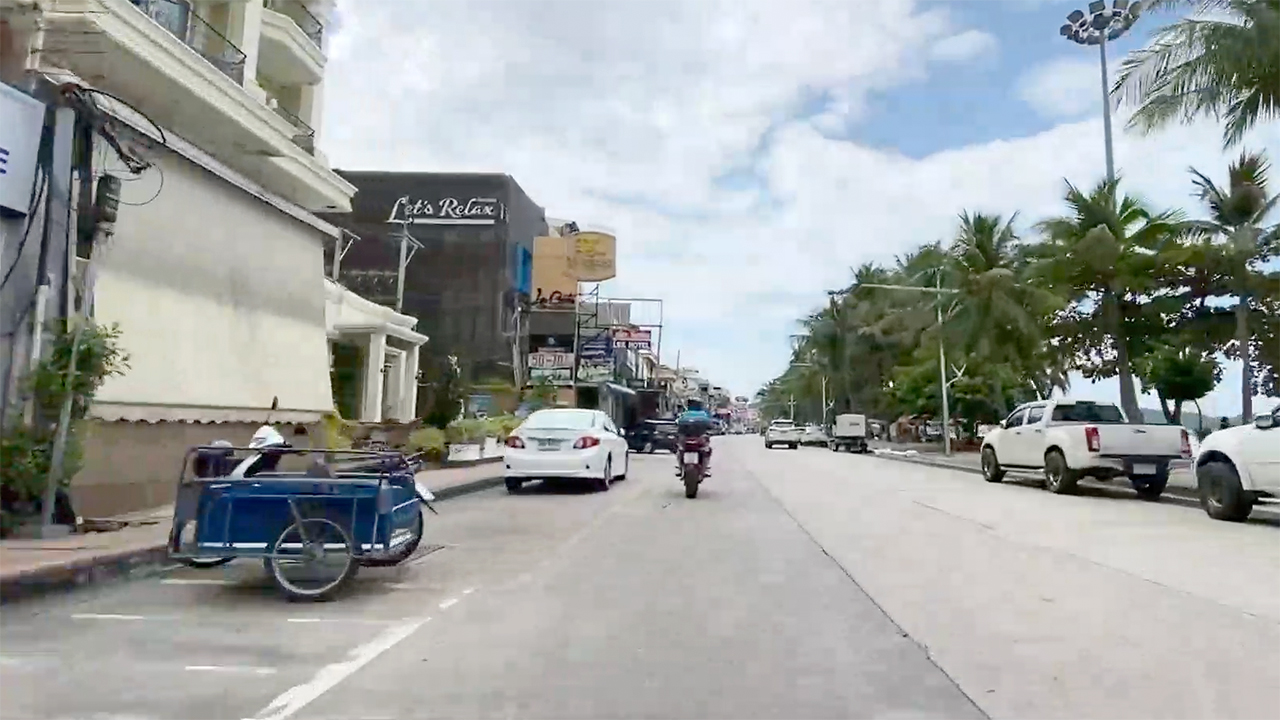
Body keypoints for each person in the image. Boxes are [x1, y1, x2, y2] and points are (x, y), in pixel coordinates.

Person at [675, 400, 714, 476]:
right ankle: (704, 469)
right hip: (700, 439)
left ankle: (680, 468)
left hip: (685, 439)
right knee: (707, 451)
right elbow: (711, 425)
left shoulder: (684, 414)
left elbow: (677, 423)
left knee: (680, 450)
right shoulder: (704, 414)